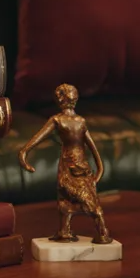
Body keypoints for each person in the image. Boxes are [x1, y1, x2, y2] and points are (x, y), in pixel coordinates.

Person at [19, 84, 112, 244]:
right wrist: (99, 169)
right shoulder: (80, 121)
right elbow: (93, 148)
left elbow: (39, 137)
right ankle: (65, 231)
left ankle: (102, 232)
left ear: (60, 100)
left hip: (70, 166)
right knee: (67, 199)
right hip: (81, 165)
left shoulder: (58, 120)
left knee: (83, 200)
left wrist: (24, 151)